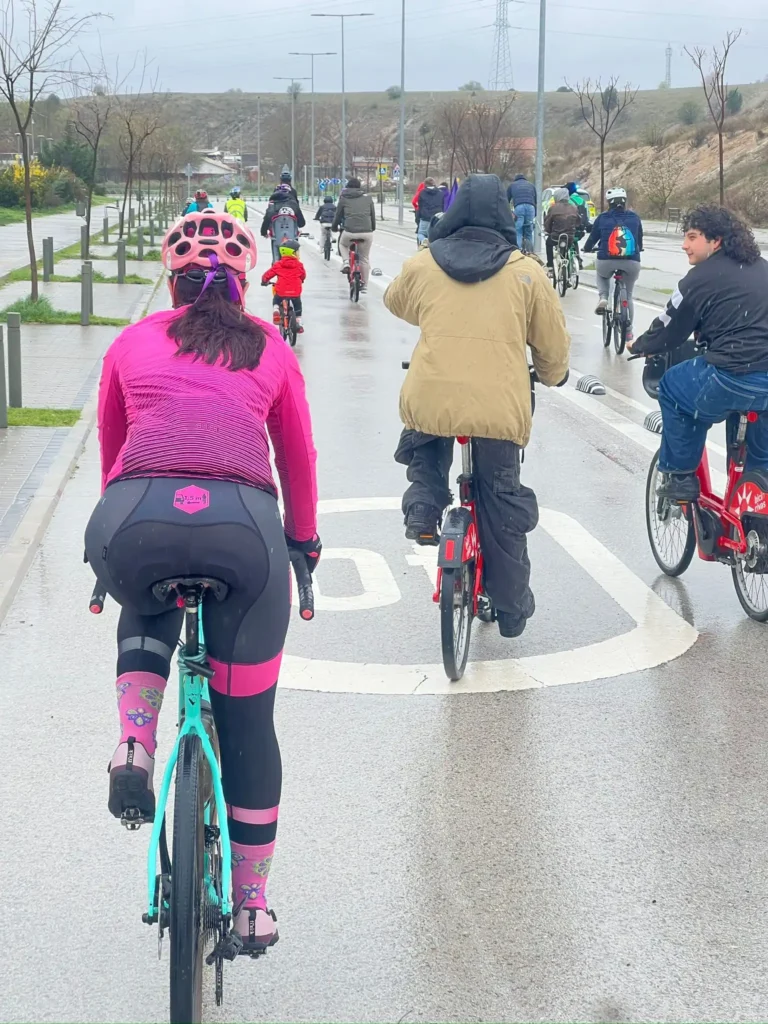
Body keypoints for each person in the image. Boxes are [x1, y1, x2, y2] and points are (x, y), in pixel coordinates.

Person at [84, 210, 319, 954]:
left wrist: (112, 544)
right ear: (244, 282)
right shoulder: (271, 346)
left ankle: (134, 742)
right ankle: (251, 905)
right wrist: (303, 548)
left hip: (135, 516)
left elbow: (114, 450)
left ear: (171, 278)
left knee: (144, 589)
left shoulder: (130, 341)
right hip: (243, 531)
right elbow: (299, 460)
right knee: (249, 726)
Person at [384, 173, 570, 639]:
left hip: (433, 394)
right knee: (503, 504)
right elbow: (551, 346)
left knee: (425, 444)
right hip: (498, 406)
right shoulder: (526, 272)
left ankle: (424, 510)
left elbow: (396, 302)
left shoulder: (425, 264)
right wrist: (553, 375)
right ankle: (511, 609)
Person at [629, 205, 768, 502]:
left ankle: (679, 477)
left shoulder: (698, 279)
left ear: (715, 240)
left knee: (672, 387)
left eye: (692, 237)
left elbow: (670, 327)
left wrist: (641, 345)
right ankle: (755, 502)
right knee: (762, 465)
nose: (684, 245)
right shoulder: (763, 268)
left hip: (731, 375)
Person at [583, 186, 643, 342]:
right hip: (631, 262)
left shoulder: (602, 218)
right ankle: (628, 332)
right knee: (628, 295)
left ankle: (604, 297)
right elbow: (639, 240)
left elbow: (592, 239)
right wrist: (639, 249)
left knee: (601, 275)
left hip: (606, 260)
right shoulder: (635, 218)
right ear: (624, 202)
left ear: (608, 203)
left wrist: (587, 248)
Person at [332, 177, 376, 289]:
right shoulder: (368, 199)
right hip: (367, 232)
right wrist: (372, 228)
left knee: (342, 244)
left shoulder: (344, 199)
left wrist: (334, 227)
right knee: (364, 258)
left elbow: (338, 216)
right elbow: (372, 216)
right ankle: (365, 285)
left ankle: (346, 262)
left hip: (349, 231)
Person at [261, 238, 306, 333]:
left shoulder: (278, 265)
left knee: (276, 299)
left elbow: (268, 274)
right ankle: (298, 321)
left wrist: (264, 281)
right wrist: (301, 280)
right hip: (295, 291)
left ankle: (276, 309)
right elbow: (303, 275)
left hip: (281, 290)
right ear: (293, 253)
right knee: (297, 304)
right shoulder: (299, 265)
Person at [260, 185, 305, 264]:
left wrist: (263, 232)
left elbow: (266, 220)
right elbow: (302, 223)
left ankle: (275, 262)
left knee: (275, 248)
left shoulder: (272, 205)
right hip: (292, 238)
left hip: (276, 238)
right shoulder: (293, 204)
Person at [543, 187, 580, 272]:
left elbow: (547, 222)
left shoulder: (553, 208)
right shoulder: (574, 207)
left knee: (548, 244)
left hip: (555, 236)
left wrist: (548, 231)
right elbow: (578, 222)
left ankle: (550, 265)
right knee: (567, 249)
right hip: (570, 237)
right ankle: (568, 271)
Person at [506, 173, 537, 251]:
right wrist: (534, 214)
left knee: (518, 231)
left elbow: (506, 201)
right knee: (529, 232)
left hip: (519, 207)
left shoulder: (512, 185)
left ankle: (518, 251)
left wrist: (509, 213)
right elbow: (535, 201)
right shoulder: (531, 185)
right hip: (531, 207)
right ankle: (530, 252)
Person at [566, 181, 590, 267]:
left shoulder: (567, 201)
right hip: (581, 229)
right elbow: (588, 215)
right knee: (574, 240)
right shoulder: (583, 201)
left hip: (569, 228)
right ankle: (578, 259)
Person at [416, 178, 445, 246]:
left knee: (421, 233)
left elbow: (420, 206)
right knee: (435, 235)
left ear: (425, 184)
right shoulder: (441, 193)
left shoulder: (422, 193)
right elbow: (442, 205)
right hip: (436, 218)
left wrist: (418, 217)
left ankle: (424, 240)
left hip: (425, 218)